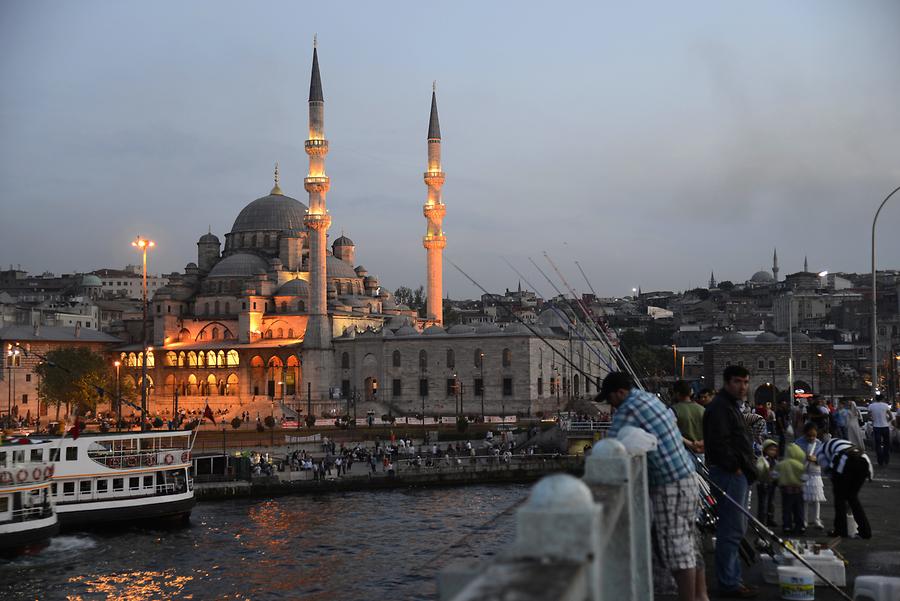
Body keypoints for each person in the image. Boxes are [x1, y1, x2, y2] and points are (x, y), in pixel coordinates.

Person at [598, 372, 706, 601]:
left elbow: (611, 446)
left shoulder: (628, 409)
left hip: (670, 485)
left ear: (620, 392)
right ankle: (701, 596)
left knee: (677, 550)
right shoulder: (648, 398)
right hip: (687, 476)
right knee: (690, 541)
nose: (610, 406)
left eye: (609, 399)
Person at [703, 365, 757, 599]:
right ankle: (729, 582)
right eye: (737, 382)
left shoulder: (729, 406)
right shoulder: (720, 408)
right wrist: (735, 468)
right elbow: (720, 442)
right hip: (729, 475)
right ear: (726, 382)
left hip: (735, 473)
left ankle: (731, 579)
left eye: (745, 382)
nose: (742, 387)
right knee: (731, 529)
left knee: (735, 528)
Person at [817, 437, 873, 538]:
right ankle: (865, 531)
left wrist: (837, 485)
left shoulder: (819, 451)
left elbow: (828, 471)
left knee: (839, 499)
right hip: (865, 460)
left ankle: (840, 531)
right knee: (853, 497)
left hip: (845, 460)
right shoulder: (841, 442)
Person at [795, 423, 826, 530]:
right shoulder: (798, 443)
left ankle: (816, 519)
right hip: (802, 472)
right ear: (804, 434)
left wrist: (816, 460)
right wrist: (805, 458)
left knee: (816, 498)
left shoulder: (819, 443)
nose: (812, 438)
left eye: (814, 435)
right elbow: (794, 458)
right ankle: (804, 520)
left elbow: (823, 459)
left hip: (815, 473)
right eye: (809, 435)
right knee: (804, 499)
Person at [775, 442, 807, 535]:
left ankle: (787, 526)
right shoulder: (800, 465)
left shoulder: (781, 464)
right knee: (799, 509)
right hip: (798, 490)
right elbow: (804, 478)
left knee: (786, 509)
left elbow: (774, 475)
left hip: (786, 490)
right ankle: (800, 526)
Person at [671, 380, 705, 456]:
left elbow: (672, 432)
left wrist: (691, 444)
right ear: (691, 393)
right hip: (701, 452)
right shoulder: (702, 409)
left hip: (682, 452)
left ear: (677, 393)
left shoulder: (673, 410)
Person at [754, 440, 779, 527]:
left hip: (772, 484)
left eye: (774, 450)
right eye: (771, 450)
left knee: (771, 503)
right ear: (765, 450)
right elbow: (759, 470)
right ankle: (761, 520)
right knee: (763, 504)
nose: (773, 452)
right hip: (763, 484)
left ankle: (770, 519)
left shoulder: (775, 461)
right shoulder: (762, 460)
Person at [868, 397, 894, 466]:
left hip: (876, 427)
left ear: (876, 399)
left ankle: (880, 460)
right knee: (886, 444)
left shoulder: (871, 406)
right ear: (882, 399)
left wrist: (873, 420)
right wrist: (887, 421)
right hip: (885, 426)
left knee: (878, 444)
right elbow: (891, 416)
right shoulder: (885, 405)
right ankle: (886, 459)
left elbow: (869, 416)